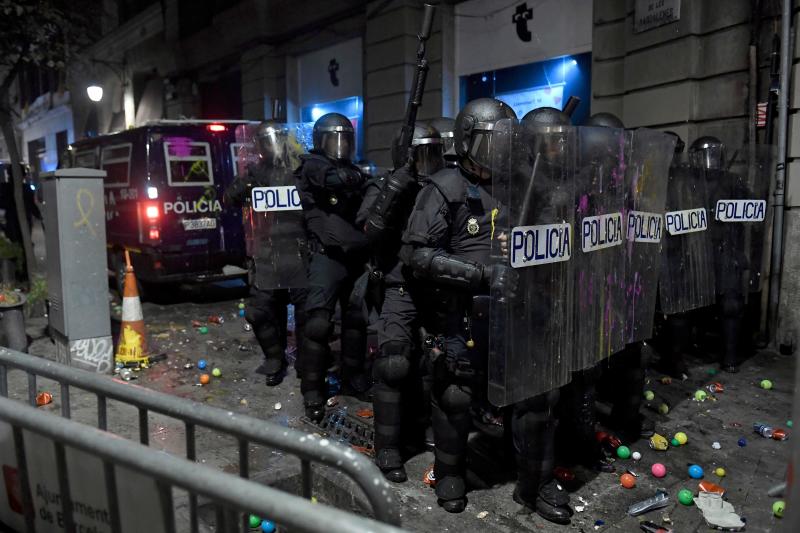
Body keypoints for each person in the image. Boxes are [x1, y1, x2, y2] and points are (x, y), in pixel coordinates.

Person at [402, 98, 572, 523]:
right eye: (492, 143)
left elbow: (554, 243)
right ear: (467, 141)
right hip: (463, 313)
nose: (500, 151)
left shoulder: (526, 184)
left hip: (519, 313)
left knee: (536, 397)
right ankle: (449, 471)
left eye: (507, 142)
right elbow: (417, 256)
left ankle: (537, 481)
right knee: (455, 394)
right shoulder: (444, 189)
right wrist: (479, 275)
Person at [359, 124, 444, 482]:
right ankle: (389, 446)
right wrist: (396, 189)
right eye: (419, 156)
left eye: (432, 154)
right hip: (398, 284)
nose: (427, 164)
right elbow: (368, 227)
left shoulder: (445, 188)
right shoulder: (385, 187)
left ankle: (424, 427)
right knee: (393, 362)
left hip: (440, 286)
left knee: (436, 362)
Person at [294, 112, 370, 422]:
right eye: (333, 139)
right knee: (318, 326)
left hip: (354, 257)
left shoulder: (353, 169)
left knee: (356, 320)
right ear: (320, 141)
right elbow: (334, 180)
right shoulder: (313, 166)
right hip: (325, 256)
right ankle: (313, 389)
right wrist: (365, 177)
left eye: (345, 139)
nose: (340, 146)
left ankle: (353, 375)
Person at [223, 121, 308, 387]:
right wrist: (247, 183)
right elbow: (229, 198)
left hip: (299, 250)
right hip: (267, 252)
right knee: (261, 310)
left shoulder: (300, 169)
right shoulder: (255, 172)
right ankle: (274, 357)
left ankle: (309, 360)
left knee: (309, 312)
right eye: (265, 141)